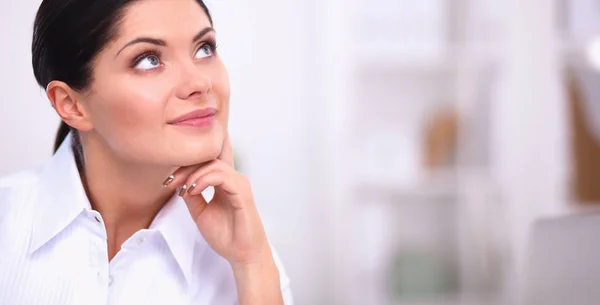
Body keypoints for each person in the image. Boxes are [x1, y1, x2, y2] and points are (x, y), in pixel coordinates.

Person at [0, 0, 293, 304]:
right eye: (148, 60)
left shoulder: (246, 259)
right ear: (71, 104)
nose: (200, 83)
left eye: (204, 48)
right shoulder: (7, 222)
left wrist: (252, 263)